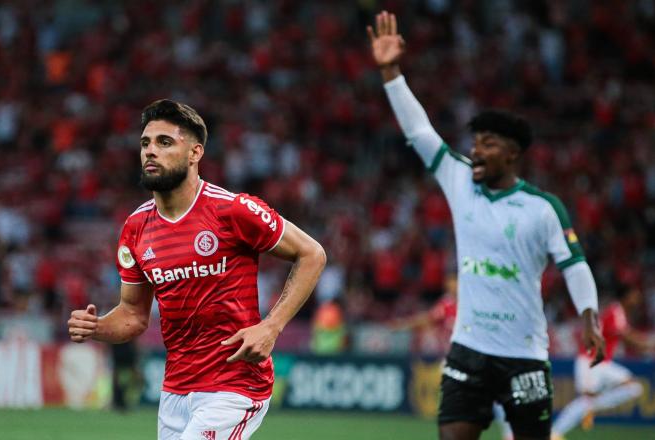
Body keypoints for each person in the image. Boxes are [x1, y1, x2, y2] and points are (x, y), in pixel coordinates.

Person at [367, 11, 605, 440]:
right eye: (475, 142)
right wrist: (391, 72)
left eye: (488, 144)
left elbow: (575, 265)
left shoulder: (543, 208)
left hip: (525, 355)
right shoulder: (459, 180)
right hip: (469, 350)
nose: (476, 151)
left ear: (512, 154)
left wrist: (590, 315)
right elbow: (420, 132)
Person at [67, 99, 326, 440]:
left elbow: (312, 253)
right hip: (176, 391)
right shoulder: (135, 228)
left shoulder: (232, 210)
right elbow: (133, 314)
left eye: (164, 142)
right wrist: (97, 327)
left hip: (235, 384)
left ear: (195, 153)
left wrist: (271, 327)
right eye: (145, 143)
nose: (150, 152)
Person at [389, 274, 514, 440]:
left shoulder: (473, 302)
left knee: (494, 396)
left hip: (477, 357)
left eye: (452, 281)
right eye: (448, 282)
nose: (449, 285)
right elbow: (428, 319)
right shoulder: (447, 304)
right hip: (456, 360)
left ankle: (507, 432)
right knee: (464, 402)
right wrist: (403, 324)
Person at [551, 283, 653, 440]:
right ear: (626, 296)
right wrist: (651, 344)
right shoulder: (615, 311)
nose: (637, 299)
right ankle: (555, 432)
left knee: (634, 387)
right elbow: (629, 339)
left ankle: (592, 406)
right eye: (634, 295)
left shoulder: (620, 313)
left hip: (603, 364)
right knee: (586, 400)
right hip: (590, 361)